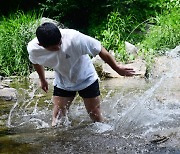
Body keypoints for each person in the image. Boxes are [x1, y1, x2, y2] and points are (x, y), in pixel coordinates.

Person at [27, 22, 136, 127]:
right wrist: (42, 79)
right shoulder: (34, 49)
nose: (59, 48)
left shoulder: (74, 38)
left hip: (86, 78)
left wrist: (117, 68)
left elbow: (99, 49)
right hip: (63, 81)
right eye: (54, 48)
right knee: (58, 119)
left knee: (95, 116)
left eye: (60, 43)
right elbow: (35, 62)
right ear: (41, 45)